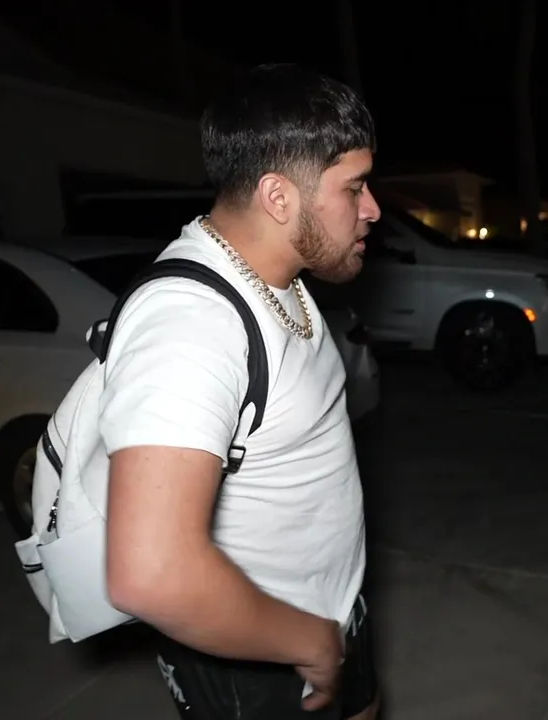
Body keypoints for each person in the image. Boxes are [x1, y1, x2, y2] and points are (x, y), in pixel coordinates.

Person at [100, 64, 382, 719]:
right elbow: (150, 573)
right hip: (255, 654)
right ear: (279, 197)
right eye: (354, 188)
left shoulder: (278, 275)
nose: (371, 209)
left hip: (334, 606)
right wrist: (309, 643)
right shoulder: (190, 322)